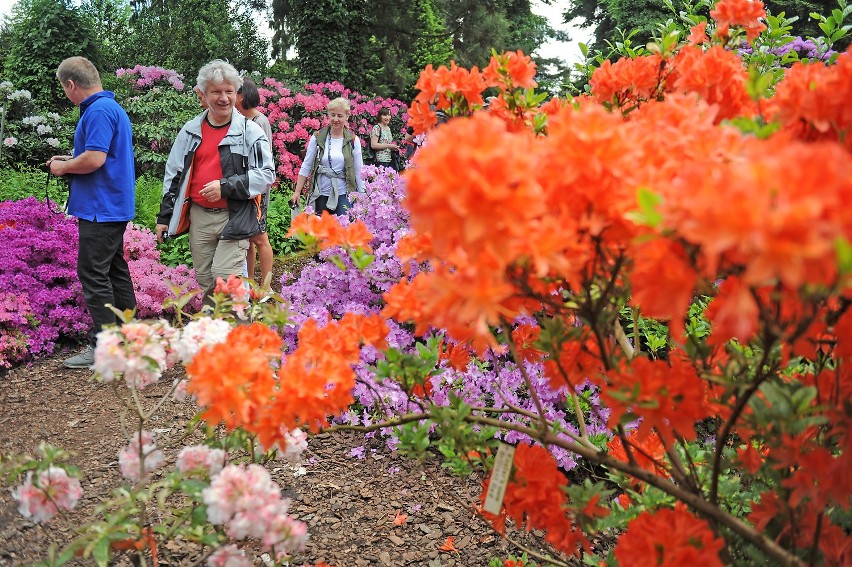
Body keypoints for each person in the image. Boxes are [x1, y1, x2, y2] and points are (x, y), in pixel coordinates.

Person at [155, 60, 275, 304]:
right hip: (199, 216)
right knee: (206, 279)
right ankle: (217, 334)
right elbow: (174, 174)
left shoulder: (250, 132)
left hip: (235, 215)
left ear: (236, 93)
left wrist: (225, 186)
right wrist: (164, 217)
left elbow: (266, 175)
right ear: (203, 94)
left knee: (226, 280)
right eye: (216, 92)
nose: (223, 98)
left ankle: (239, 335)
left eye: (229, 91)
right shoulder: (190, 130)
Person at [48, 56, 137, 369]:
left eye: (65, 89)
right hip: (112, 206)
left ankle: (105, 347)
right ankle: (128, 337)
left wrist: (62, 167)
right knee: (114, 270)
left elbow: (95, 159)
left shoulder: (97, 111)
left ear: (71, 84)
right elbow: (97, 155)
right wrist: (72, 158)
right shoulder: (111, 107)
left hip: (101, 208)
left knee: (93, 273)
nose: (66, 94)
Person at [290, 97, 365, 216]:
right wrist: (297, 192)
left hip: (343, 194)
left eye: (340, 116)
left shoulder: (353, 140)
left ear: (347, 117)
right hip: (321, 193)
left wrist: (362, 196)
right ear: (328, 115)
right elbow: (307, 165)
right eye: (333, 115)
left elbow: (358, 170)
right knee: (320, 232)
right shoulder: (318, 137)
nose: (335, 119)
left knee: (342, 230)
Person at [236, 77, 274, 287]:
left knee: (260, 237)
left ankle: (266, 287)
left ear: (241, 96)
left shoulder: (259, 121)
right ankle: (249, 284)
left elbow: (263, 159)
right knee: (248, 239)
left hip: (257, 189)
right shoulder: (241, 120)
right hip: (244, 187)